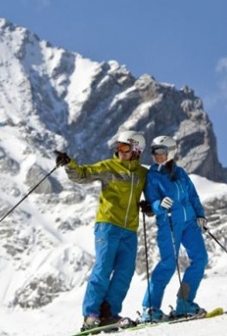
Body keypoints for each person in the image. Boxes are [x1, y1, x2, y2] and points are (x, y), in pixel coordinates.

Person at [54, 130, 148, 332]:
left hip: (129, 230)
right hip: (108, 225)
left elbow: (154, 195)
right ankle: (91, 315)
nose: (120, 151)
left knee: (125, 272)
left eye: (125, 148)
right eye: (119, 147)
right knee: (103, 268)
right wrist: (69, 164)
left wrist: (150, 206)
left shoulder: (142, 174)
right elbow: (83, 174)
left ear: (137, 150)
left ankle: (109, 314)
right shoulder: (109, 167)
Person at [140, 135, 209, 322]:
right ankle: (150, 308)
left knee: (201, 258)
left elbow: (193, 196)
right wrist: (159, 205)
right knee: (169, 264)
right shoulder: (152, 176)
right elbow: (152, 201)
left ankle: (184, 303)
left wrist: (200, 215)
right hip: (169, 223)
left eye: (161, 152)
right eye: (154, 152)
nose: (157, 156)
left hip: (190, 223)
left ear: (170, 152)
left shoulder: (181, 173)